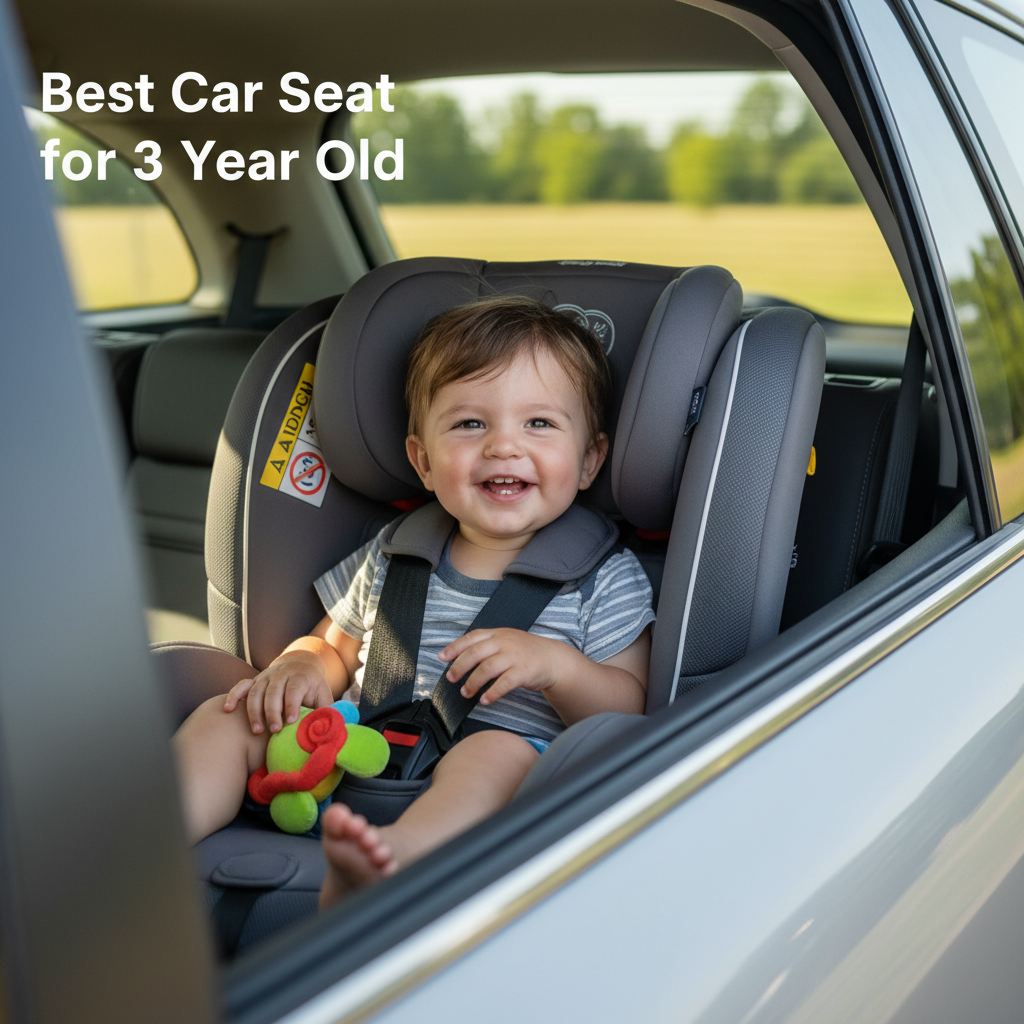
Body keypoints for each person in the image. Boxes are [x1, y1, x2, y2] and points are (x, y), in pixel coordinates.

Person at [174, 295, 655, 908]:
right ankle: (145, 845)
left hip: (494, 784)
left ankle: (397, 866)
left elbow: (628, 708)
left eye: (539, 424)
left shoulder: (605, 578)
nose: (503, 447)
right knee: (233, 713)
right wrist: (299, 666)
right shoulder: (397, 552)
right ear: (424, 461)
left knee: (493, 751)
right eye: (469, 424)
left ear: (590, 460)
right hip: (344, 757)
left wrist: (555, 667)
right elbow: (331, 647)